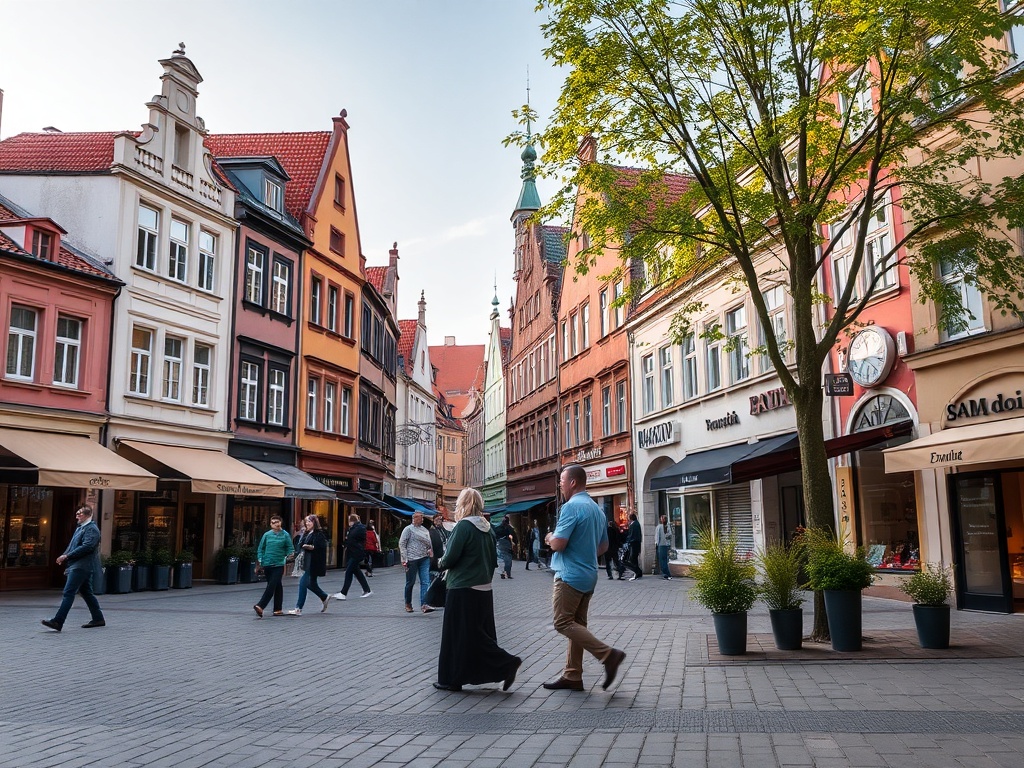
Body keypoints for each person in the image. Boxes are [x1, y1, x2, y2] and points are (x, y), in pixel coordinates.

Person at [543, 464, 626, 692]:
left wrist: (549, 537)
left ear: (572, 482)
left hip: (569, 576)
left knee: (562, 622)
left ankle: (608, 655)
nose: (559, 484)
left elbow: (559, 544)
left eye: (562, 480)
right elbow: (603, 547)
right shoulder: (597, 510)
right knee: (577, 624)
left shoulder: (570, 507)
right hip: (589, 575)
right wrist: (583, 550)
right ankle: (573, 675)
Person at [434, 487, 521, 692]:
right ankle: (489, 670)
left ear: (462, 504)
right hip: (484, 588)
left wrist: (440, 561)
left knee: (461, 636)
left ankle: (504, 664)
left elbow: (450, 558)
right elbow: (493, 560)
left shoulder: (463, 526)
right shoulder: (487, 527)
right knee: (478, 633)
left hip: (462, 586)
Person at [41, 505, 105, 632]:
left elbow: (87, 547)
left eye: (79, 514)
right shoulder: (80, 528)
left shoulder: (92, 529)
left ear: (87, 515)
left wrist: (67, 556)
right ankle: (98, 619)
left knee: (68, 593)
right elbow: (72, 546)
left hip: (82, 566)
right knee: (87, 593)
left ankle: (58, 621)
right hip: (77, 565)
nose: (76, 517)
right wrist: (65, 559)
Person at [253, 514, 296, 618]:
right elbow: (261, 548)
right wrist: (260, 560)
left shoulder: (285, 535)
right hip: (267, 564)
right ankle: (277, 609)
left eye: (277, 522)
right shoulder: (267, 535)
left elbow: (290, 549)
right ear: (270, 524)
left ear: (281, 522)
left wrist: (287, 557)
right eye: (273, 522)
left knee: (271, 585)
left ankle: (260, 606)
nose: (275, 524)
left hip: (279, 564)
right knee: (277, 585)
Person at [287, 515, 331, 616]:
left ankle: (298, 608)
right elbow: (300, 545)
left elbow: (320, 547)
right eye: (306, 522)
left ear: (314, 523)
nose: (307, 524)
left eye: (309, 522)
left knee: (303, 582)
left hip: (313, 562)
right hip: (307, 561)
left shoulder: (319, 534)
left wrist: (311, 547)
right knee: (311, 583)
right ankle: (324, 596)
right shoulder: (306, 533)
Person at [332, 513, 374, 602]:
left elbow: (351, 539)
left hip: (356, 553)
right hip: (354, 553)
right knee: (357, 572)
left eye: (349, 521)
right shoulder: (356, 528)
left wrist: (347, 539)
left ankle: (343, 593)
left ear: (351, 521)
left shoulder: (358, 528)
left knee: (349, 572)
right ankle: (367, 590)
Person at [399, 511, 433, 613]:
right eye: (420, 517)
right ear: (415, 518)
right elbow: (402, 543)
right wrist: (404, 559)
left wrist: (430, 550)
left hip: (424, 558)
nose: (422, 519)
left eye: (422, 517)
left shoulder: (424, 530)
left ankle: (424, 604)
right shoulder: (408, 529)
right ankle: (408, 603)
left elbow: (429, 543)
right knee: (410, 582)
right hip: (411, 559)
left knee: (425, 582)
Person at [424, 511, 451, 612]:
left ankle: (441, 601)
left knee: (442, 579)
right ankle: (429, 601)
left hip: (443, 556)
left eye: (440, 519)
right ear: (434, 521)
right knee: (434, 579)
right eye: (437, 520)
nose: (439, 521)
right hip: (435, 558)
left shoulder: (443, 530)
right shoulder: (432, 532)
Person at [622, 512, 644, 581]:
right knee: (634, 558)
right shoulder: (636, 524)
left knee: (632, 559)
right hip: (636, 543)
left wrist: (627, 541)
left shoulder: (633, 525)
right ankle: (638, 572)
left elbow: (631, 535)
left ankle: (637, 571)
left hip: (633, 543)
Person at [655, 514, 672, 580]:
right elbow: (670, 535)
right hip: (666, 545)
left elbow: (657, 537)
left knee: (662, 561)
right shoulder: (667, 526)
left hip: (661, 545)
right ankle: (666, 574)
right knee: (664, 559)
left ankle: (667, 574)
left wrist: (656, 544)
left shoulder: (659, 527)